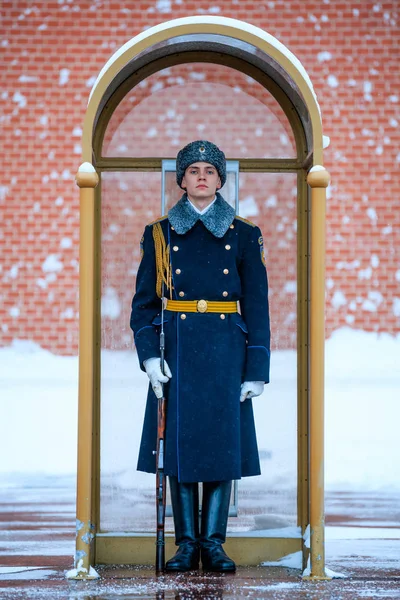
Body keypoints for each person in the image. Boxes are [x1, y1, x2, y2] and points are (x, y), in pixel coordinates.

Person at [130, 140, 270, 573]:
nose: (202, 177)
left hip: (227, 349)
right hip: (179, 350)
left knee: (223, 447)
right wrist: (150, 358)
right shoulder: (160, 233)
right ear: (182, 180)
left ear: (221, 179)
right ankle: (187, 543)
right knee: (180, 450)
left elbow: (259, 306)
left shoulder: (244, 234)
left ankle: (214, 543)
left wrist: (256, 369)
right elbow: (143, 306)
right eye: (194, 171)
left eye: (210, 170)